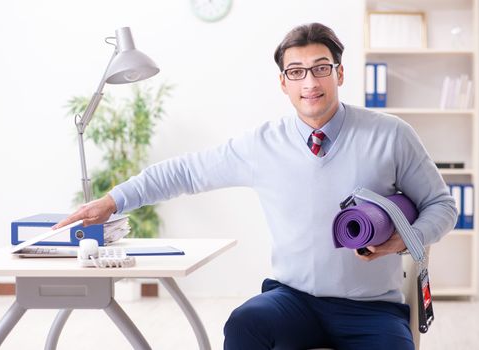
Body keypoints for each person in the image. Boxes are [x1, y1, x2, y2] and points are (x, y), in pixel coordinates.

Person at [54, 23, 457, 349]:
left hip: (370, 309)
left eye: (320, 68)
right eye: (296, 72)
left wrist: (402, 240)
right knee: (245, 324)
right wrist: (113, 200)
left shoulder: (391, 135)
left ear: (340, 73)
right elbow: (185, 172)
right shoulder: (262, 144)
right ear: (283, 83)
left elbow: (441, 205)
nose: (310, 82)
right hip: (293, 300)